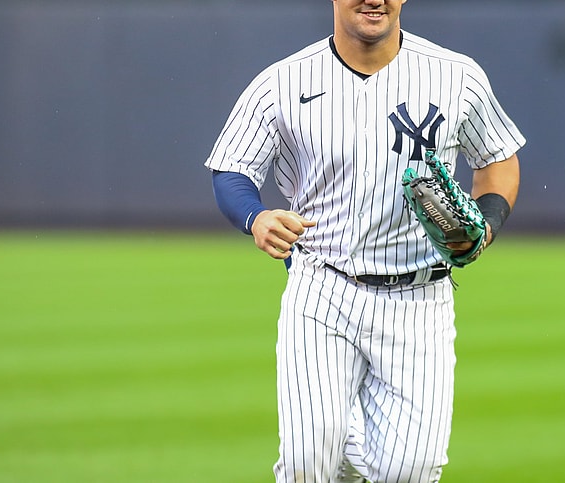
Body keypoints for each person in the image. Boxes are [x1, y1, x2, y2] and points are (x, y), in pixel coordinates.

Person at [205, 1, 525, 481]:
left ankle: (351, 445)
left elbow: (497, 158)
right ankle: (341, 447)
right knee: (307, 464)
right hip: (322, 288)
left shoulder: (456, 75)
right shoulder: (283, 82)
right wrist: (256, 217)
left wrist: (488, 221)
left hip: (420, 295)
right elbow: (232, 167)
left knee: (409, 472)